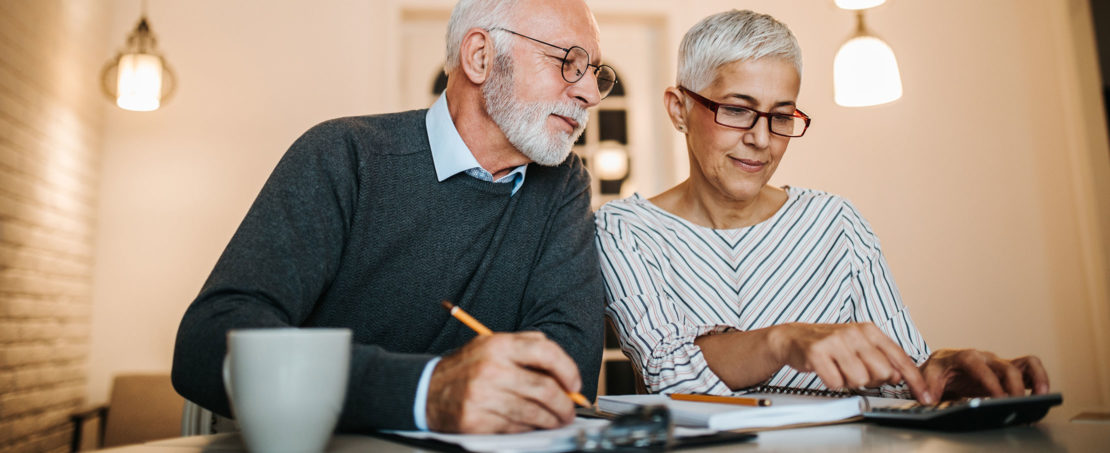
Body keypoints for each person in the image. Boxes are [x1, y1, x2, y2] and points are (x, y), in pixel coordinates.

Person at [172, 0, 617, 434]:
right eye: (568, 61)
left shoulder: (562, 183)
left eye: (595, 72)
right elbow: (208, 346)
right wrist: (427, 391)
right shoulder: (344, 155)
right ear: (481, 57)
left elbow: (566, 371)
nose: (590, 94)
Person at [595, 9, 1049, 404]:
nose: (761, 138)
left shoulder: (837, 223)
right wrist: (783, 340)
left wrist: (944, 373)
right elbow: (670, 375)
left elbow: (899, 380)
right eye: (737, 109)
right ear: (678, 110)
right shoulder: (624, 230)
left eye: (781, 116)